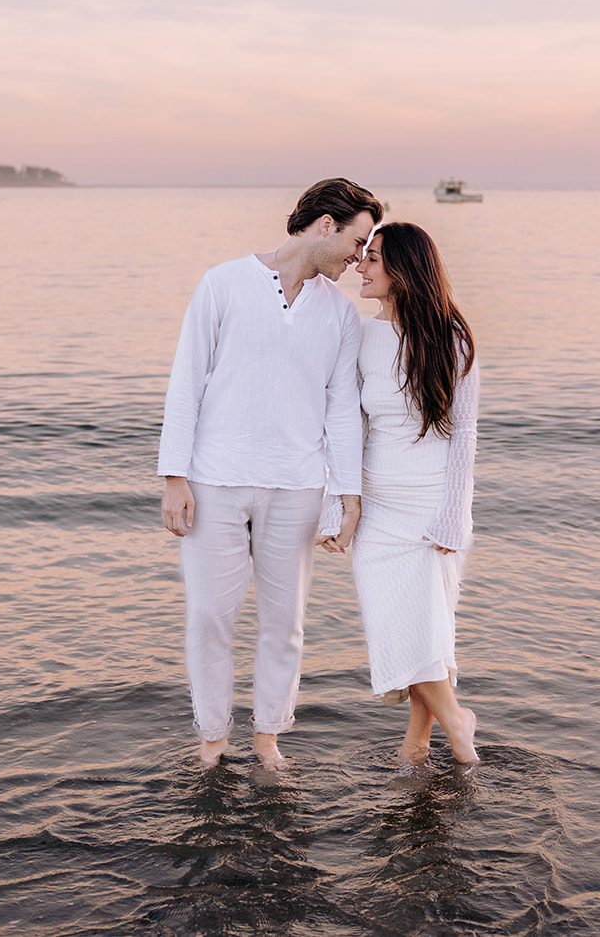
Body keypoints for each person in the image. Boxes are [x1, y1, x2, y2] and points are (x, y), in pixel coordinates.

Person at [158, 178, 380, 771]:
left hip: (298, 486)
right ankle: (212, 741)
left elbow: (342, 409)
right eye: (357, 241)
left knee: (286, 624)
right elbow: (187, 380)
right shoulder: (223, 283)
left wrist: (349, 496)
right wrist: (174, 474)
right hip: (214, 480)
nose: (359, 257)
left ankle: (267, 738)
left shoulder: (340, 313)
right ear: (326, 225)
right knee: (209, 617)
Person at [319, 222, 481, 767]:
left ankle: (428, 736)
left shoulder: (451, 338)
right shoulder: (362, 337)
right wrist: (339, 503)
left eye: (373, 258)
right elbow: (349, 426)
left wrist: (454, 515)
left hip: (431, 504)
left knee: (425, 625)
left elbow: (464, 433)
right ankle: (450, 723)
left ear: (405, 269)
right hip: (378, 506)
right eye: (362, 255)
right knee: (398, 623)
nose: (361, 266)